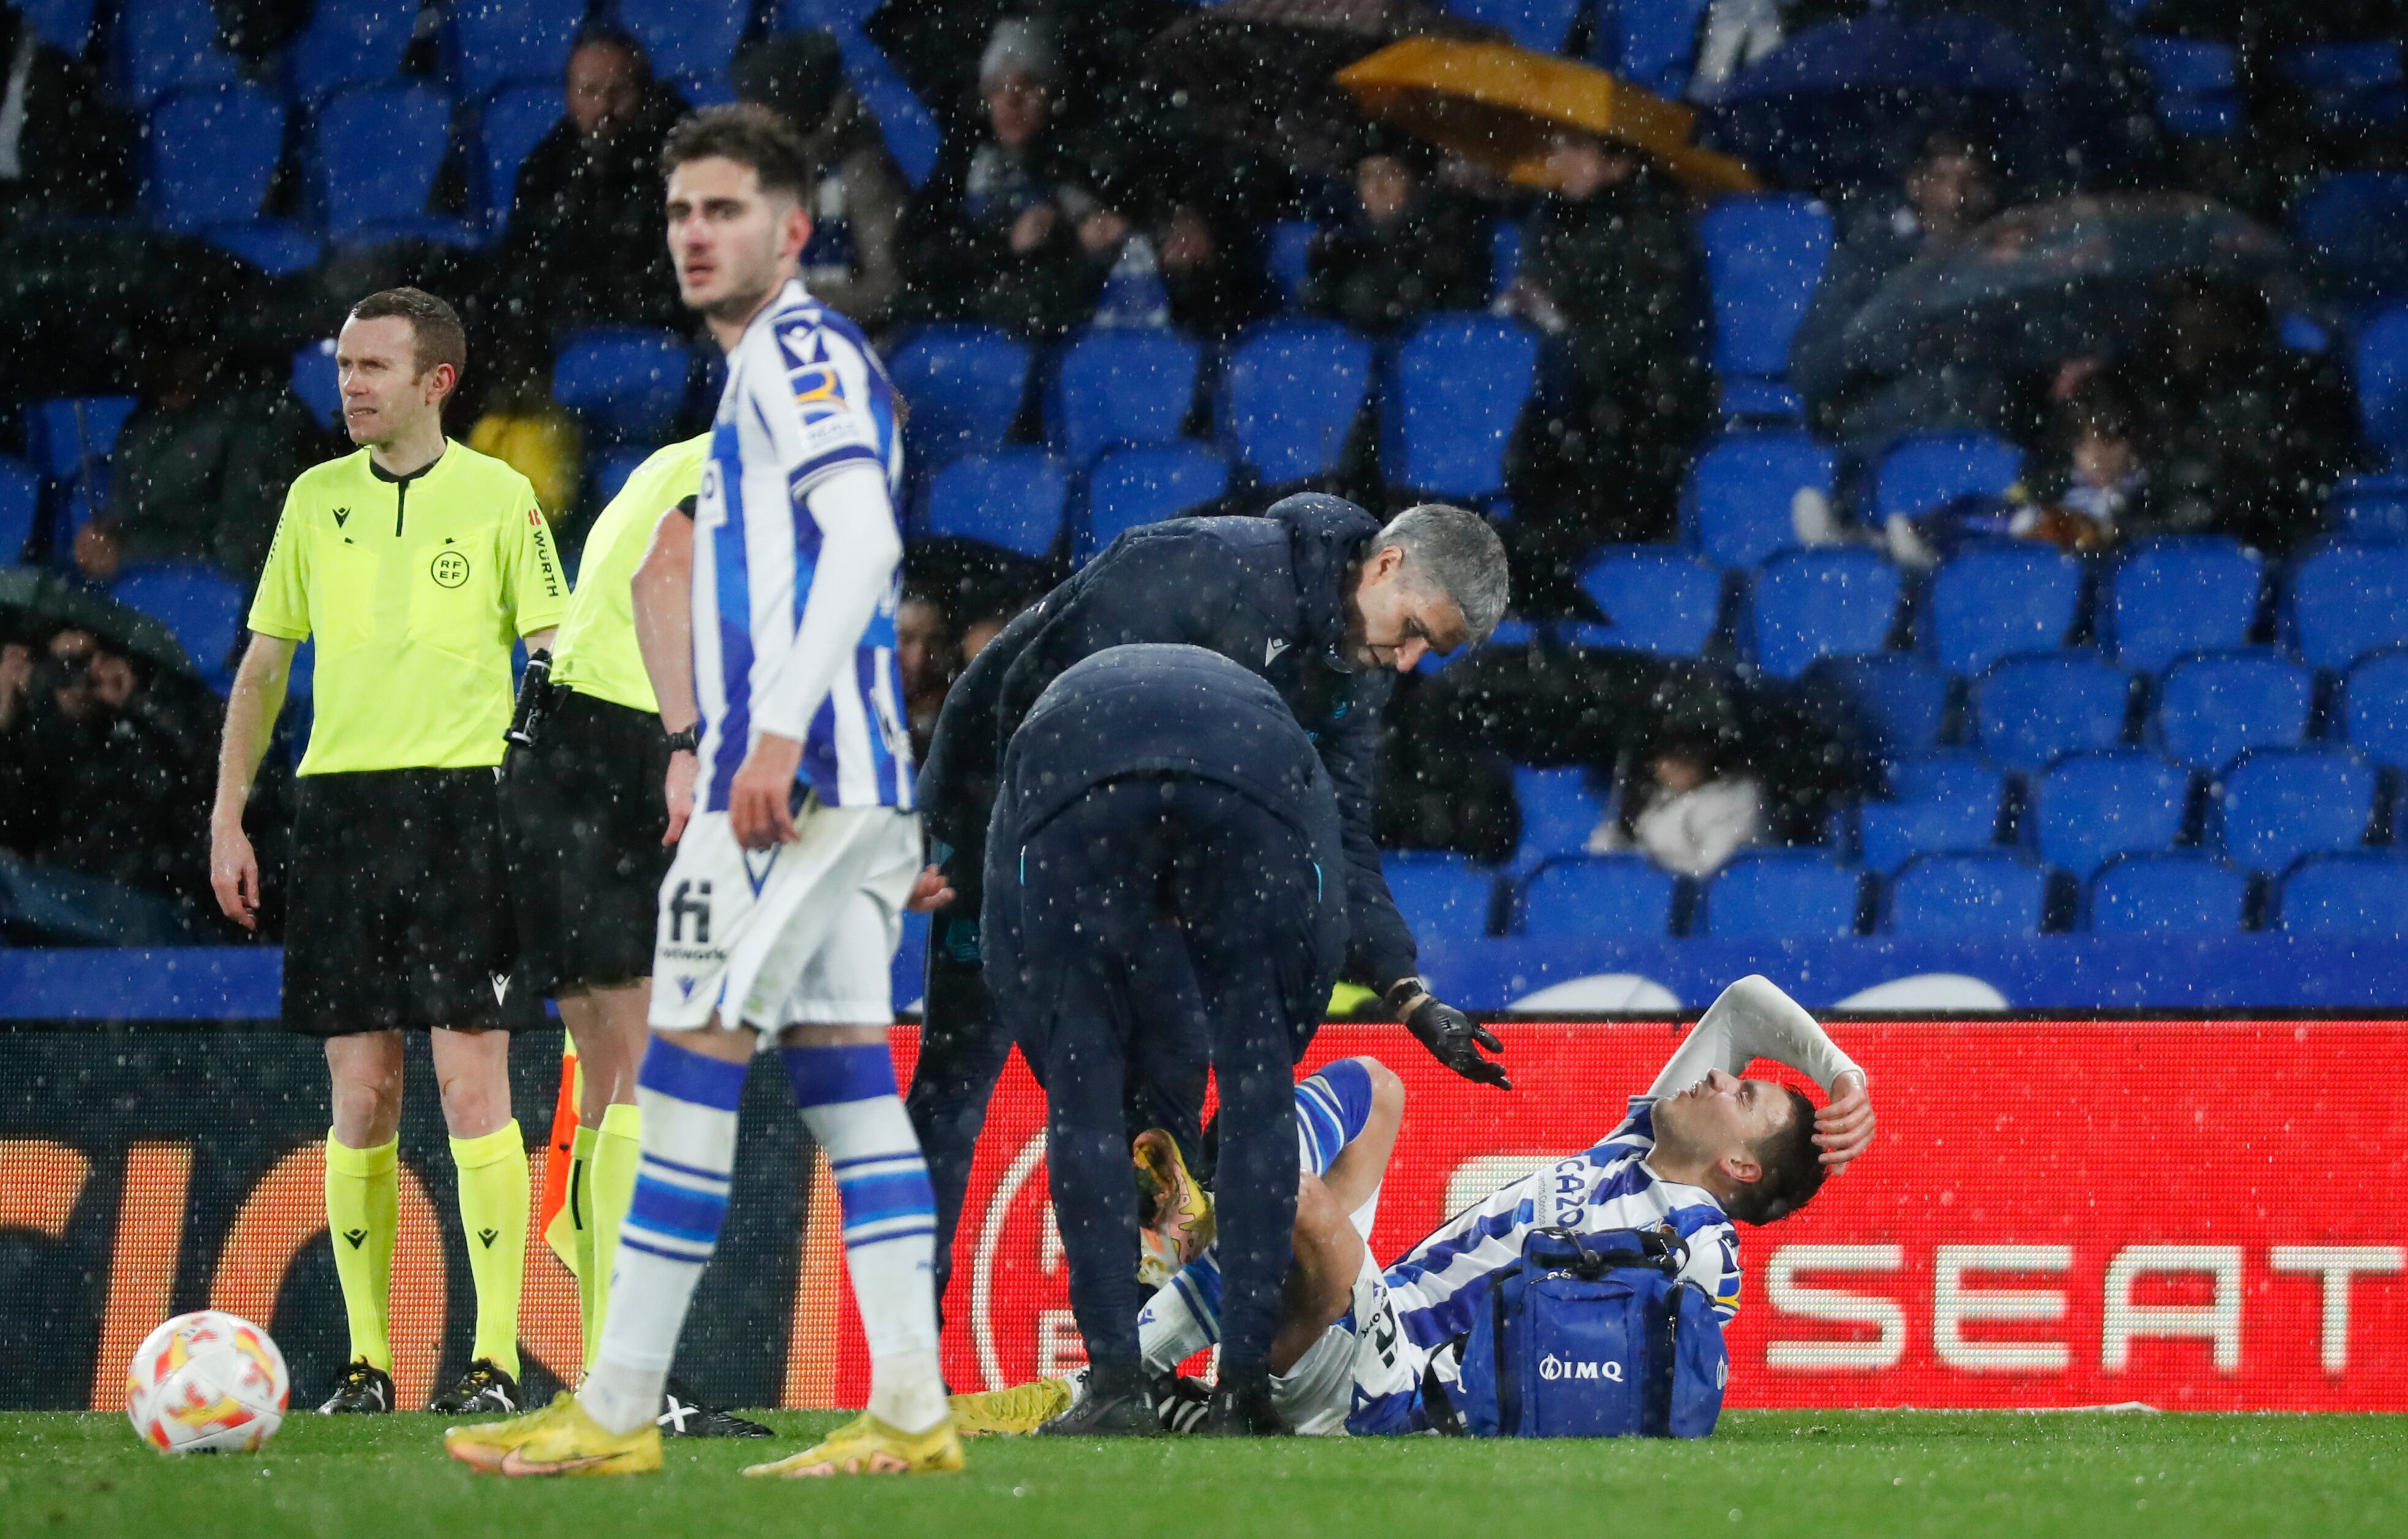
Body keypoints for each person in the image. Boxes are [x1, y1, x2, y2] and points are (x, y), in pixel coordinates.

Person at [446, 104, 956, 1480]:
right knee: (853, 1095)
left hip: (792, 788)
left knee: (680, 1079)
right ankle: (911, 1409)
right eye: (680, 211)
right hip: (833, 787)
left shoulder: (797, 352)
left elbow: (863, 544)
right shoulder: (756, 385)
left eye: (724, 210)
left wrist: (771, 738)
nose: (693, 233)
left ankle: (616, 1411)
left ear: (792, 231)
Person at [907, 497, 1515, 1319]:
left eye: (1426, 651)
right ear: (1386, 564)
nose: (1404, 661)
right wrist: (968, 839)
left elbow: (1340, 840)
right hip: (1012, 829)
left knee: (1163, 1108)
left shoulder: (1353, 674)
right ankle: (908, 1365)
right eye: (1411, 630)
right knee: (955, 1087)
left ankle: (1125, 1373)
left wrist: (1406, 991)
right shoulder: (1195, 564)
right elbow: (1019, 688)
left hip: (1142, 865)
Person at [960, 974, 1876, 1437]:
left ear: (1739, 1170)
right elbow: (1748, 1003)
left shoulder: (1700, 1234)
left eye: (1743, 1097)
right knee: (1374, 1087)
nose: (1720, 1074)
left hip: (1396, 1387)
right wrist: (1841, 1072)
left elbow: (1677, 1354)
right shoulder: (1629, 1149)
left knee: (1302, 1208)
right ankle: (1200, 1343)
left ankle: (1111, 1376)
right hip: (1372, 1311)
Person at [209, 287, 570, 1416]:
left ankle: (496, 1358)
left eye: (374, 366)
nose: (351, 383)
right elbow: (265, 670)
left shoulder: (501, 496)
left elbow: (554, 643)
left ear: (436, 382)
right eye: (345, 363)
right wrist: (228, 813)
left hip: (466, 811)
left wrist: (546, 757)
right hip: (341, 814)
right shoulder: (316, 503)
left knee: (473, 1082)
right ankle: (367, 1362)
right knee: (361, 1091)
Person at [982, 643, 1352, 1435]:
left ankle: (1116, 1385)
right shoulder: (1274, 722)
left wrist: (1073, 1079)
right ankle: (1242, 1391)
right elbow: (1326, 898)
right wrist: (1270, 1069)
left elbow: (1002, 934)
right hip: (1247, 787)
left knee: (1081, 1093)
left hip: (1076, 782)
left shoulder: (1051, 703)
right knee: (1259, 1095)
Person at [1500, 132, 1713, 564]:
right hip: (1574, 400)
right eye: (1560, 149)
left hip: (1642, 402)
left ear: (1620, 164)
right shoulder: (1551, 218)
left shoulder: (1654, 223)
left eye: (1578, 149)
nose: (1563, 161)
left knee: (1592, 474)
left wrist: (1568, 330)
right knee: (1533, 459)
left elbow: (1650, 328)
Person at [0, 622, 218, 941]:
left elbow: (209, 771)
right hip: (64, 923)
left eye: (89, 660)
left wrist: (141, 701)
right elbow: (14, 831)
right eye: (65, 665)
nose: (80, 676)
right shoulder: (31, 750)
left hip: (159, 914)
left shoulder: (144, 731)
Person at [1787, 130, 2005, 442]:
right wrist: (1901, 325)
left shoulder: (2014, 261)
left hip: (1985, 439)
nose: (1956, 198)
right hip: (1884, 440)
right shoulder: (1866, 258)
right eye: (1942, 178)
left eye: (1973, 180)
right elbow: (1810, 369)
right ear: (1915, 185)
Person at [898, 17, 1108, 339]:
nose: (1012, 101)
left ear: (1055, 96)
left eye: (1028, 85)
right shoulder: (963, 162)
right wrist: (1004, 246)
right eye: (998, 88)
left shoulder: (1087, 165)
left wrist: (1072, 237)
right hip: (972, 330)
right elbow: (915, 250)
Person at [491, 30, 688, 347]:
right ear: (569, 97)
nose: (604, 108)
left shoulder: (683, 157)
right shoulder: (548, 163)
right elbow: (523, 255)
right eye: (589, 91)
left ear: (646, 93)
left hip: (660, 320)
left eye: (618, 91)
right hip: (568, 320)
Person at [72, 342, 317, 584]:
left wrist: (128, 548)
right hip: (151, 598)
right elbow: (120, 517)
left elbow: (241, 549)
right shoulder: (141, 426)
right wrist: (103, 542)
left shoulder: (262, 418)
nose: (143, 360)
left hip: (240, 606)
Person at [734, 29, 909, 335]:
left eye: (757, 111)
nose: (747, 124)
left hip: (850, 350)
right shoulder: (756, 178)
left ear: (790, 111)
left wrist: (790, 307)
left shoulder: (860, 173)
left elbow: (890, 288)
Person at [1303, 129, 1490, 336]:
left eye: (1390, 173)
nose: (1378, 187)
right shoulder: (1341, 233)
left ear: (1413, 181)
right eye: (1366, 176)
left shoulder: (1445, 226)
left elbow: (1453, 291)